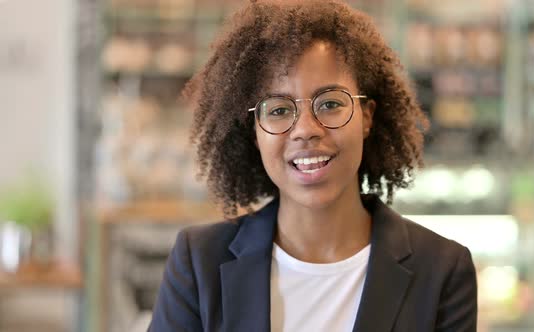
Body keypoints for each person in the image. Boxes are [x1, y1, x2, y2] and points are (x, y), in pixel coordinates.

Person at [149, 0, 478, 331]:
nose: (306, 129)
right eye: (278, 110)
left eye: (331, 104)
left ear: (367, 118)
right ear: (255, 133)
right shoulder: (200, 262)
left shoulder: (441, 270)